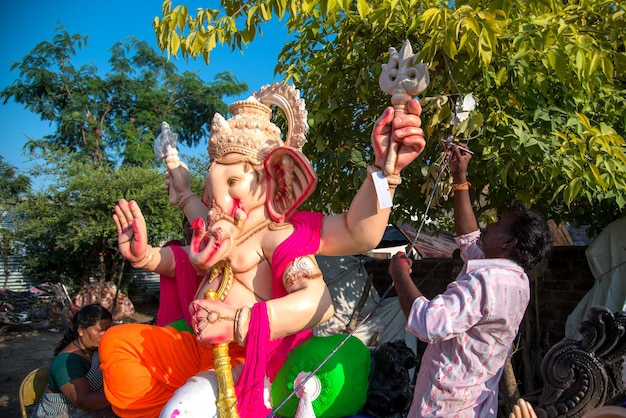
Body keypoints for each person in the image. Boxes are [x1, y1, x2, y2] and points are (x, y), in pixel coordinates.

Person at [99, 83, 427, 417]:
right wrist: (145, 256)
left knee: (182, 408)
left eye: (232, 184)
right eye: (214, 187)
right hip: (201, 347)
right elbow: (186, 258)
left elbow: (328, 285)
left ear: (277, 178)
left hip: (248, 358)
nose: (217, 202)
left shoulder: (279, 236)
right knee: (116, 343)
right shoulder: (223, 229)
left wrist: (386, 174)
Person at [388, 143, 553, 417]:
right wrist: (459, 178)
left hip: (445, 406)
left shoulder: (484, 281)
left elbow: (427, 322)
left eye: (498, 223)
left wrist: (399, 275)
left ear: (509, 241)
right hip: (473, 403)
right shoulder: (516, 279)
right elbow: (469, 241)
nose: (489, 225)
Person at [33, 303, 115, 418]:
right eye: (99, 330)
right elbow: (82, 400)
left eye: (107, 330)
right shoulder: (66, 361)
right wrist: (123, 396)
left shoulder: (96, 352)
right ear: (80, 330)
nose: (104, 335)